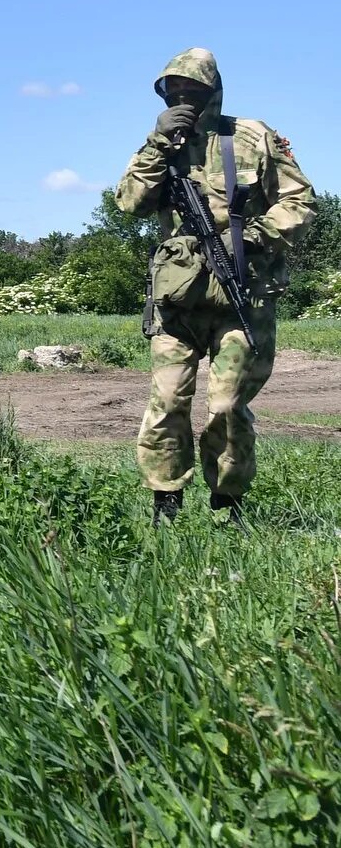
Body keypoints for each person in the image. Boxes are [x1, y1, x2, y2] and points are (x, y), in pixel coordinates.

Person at [116, 48, 314, 523]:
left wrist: (251, 236)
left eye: (193, 91)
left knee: (227, 404)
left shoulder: (252, 137)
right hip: (178, 298)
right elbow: (129, 202)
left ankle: (228, 502)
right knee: (167, 401)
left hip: (241, 291)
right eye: (174, 91)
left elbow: (300, 202)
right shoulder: (158, 146)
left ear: (213, 92)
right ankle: (166, 501)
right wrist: (157, 145)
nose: (183, 98)